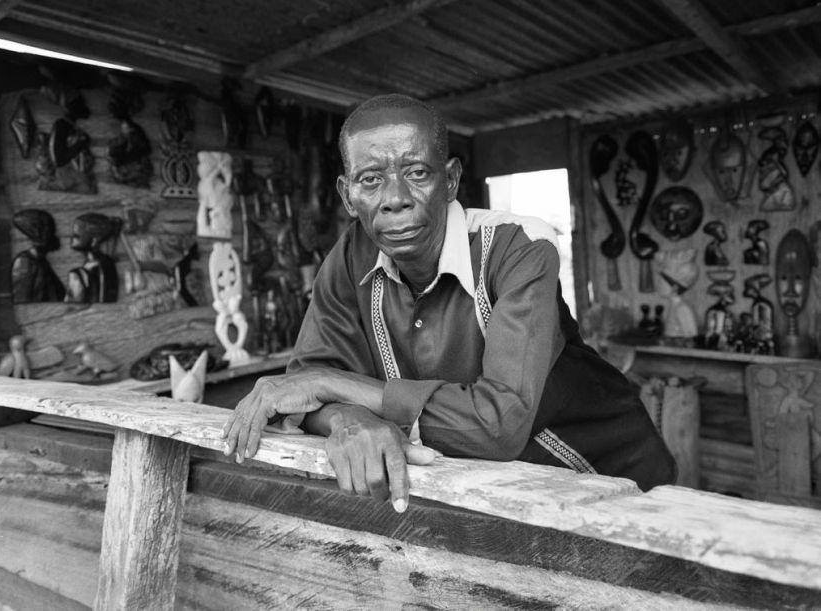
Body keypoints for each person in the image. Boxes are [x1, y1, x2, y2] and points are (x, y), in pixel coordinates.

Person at [222, 94, 676, 512]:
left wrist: (333, 386)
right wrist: (351, 418)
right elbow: (302, 390)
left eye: (417, 173)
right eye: (371, 180)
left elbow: (500, 425)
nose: (395, 200)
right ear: (347, 195)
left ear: (452, 180)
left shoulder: (519, 248)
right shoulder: (348, 258)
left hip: (608, 477)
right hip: (496, 494)